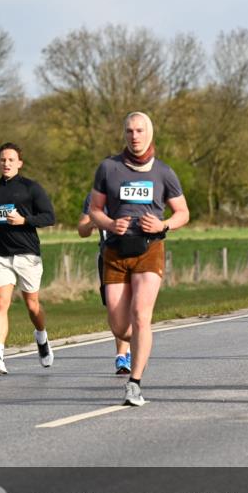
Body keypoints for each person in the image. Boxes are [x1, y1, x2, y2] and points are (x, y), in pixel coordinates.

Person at [89, 111, 190, 406]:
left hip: (150, 248)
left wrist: (163, 225)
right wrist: (109, 224)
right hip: (116, 250)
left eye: (140, 130)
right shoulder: (108, 168)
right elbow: (95, 209)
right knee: (120, 326)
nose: (135, 136)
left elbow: (183, 213)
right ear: (124, 134)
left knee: (141, 316)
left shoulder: (164, 172)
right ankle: (134, 344)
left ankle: (135, 383)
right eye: (130, 131)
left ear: (150, 134)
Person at [0, 142, 56, 375]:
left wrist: (24, 220)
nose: (6, 163)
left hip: (28, 255)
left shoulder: (31, 188)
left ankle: (41, 337)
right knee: (1, 304)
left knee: (32, 306)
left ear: (19, 163)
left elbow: (49, 217)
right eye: (3, 159)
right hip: (1, 255)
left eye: (11, 160)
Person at [78, 192, 132, 374]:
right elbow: (82, 231)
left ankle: (122, 356)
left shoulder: (133, 190)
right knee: (114, 307)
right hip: (108, 257)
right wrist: (93, 223)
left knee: (132, 305)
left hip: (136, 255)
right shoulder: (94, 197)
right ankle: (128, 348)